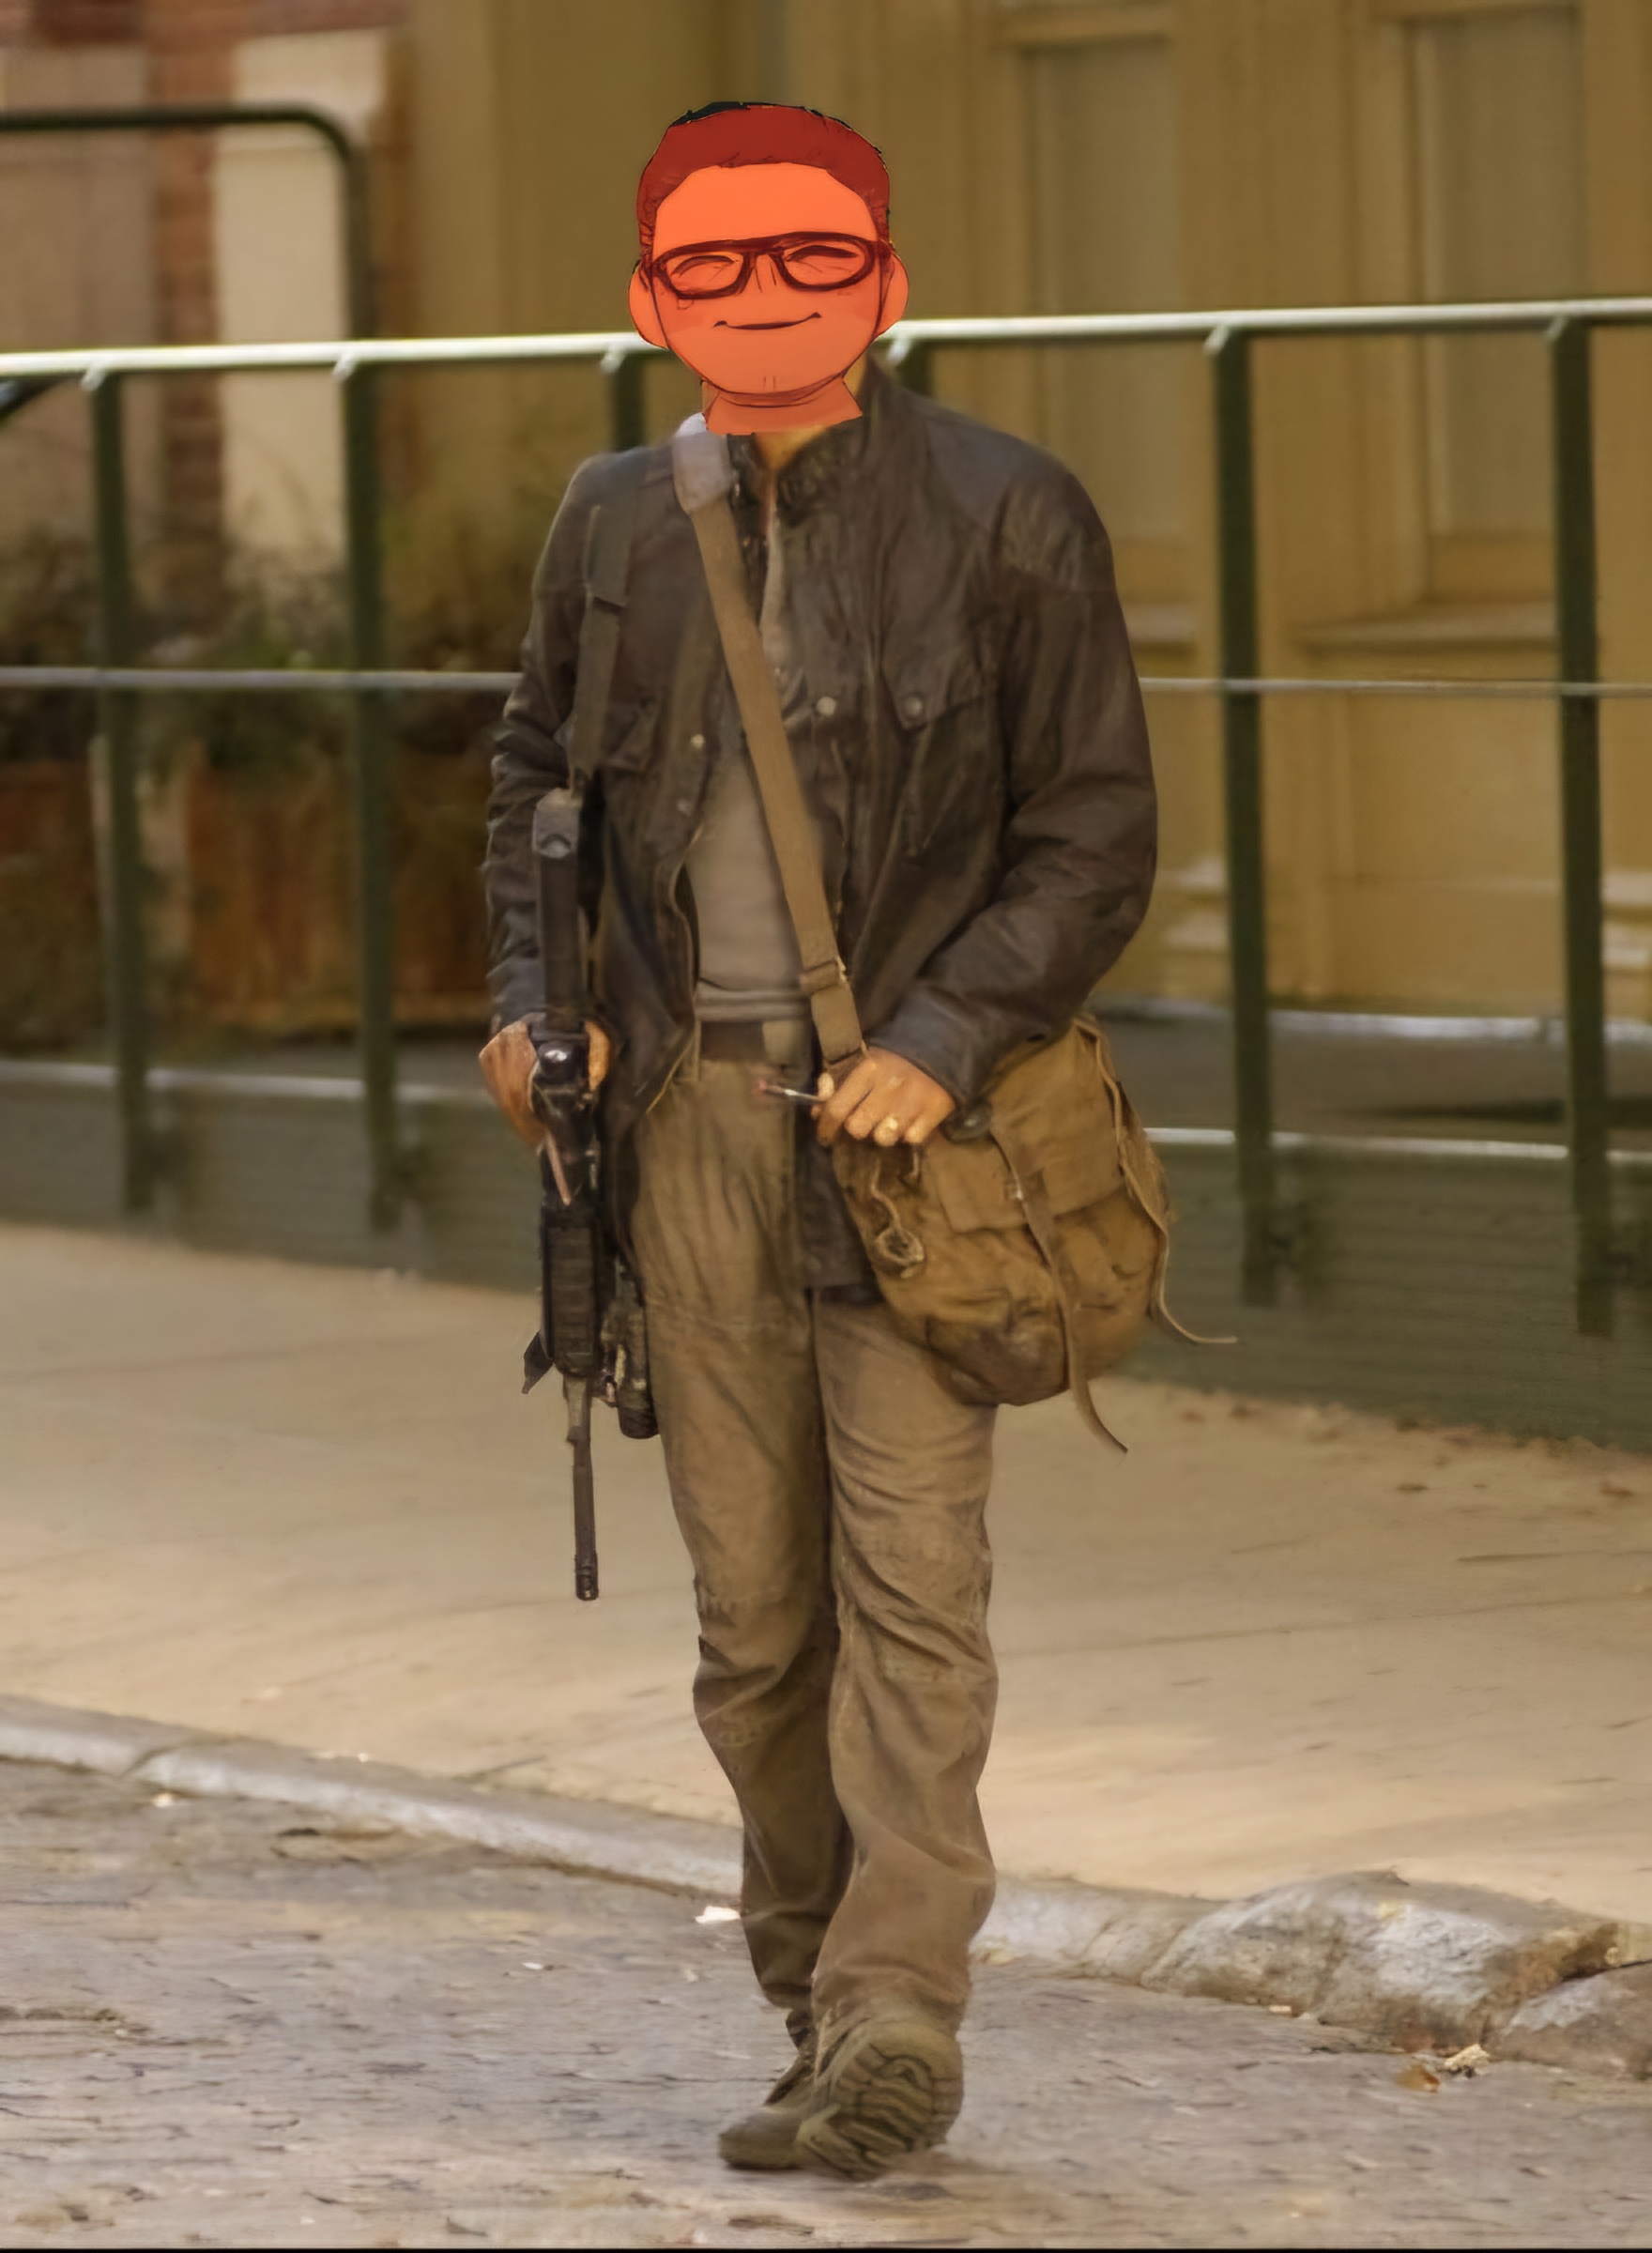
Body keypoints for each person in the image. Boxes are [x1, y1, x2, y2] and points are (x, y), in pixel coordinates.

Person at [482, 100, 1155, 2180]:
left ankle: (896, 2006)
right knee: (758, 1621)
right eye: (714, 264)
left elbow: (1093, 831)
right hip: (683, 1122)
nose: (763, 295)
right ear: (649, 298)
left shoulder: (1009, 510)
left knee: (915, 1584)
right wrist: (529, 1003)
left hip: (916, 1147)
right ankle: (810, 1996)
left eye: (808, 257)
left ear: (885, 281)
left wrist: (944, 1039)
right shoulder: (613, 520)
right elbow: (530, 782)